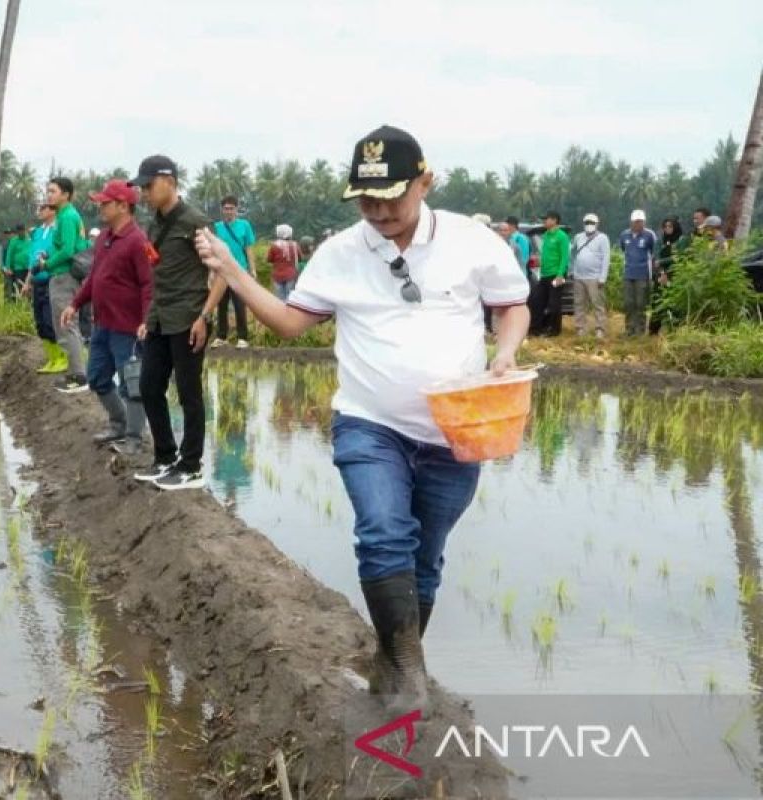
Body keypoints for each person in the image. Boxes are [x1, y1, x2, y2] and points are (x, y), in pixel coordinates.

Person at [194, 125, 529, 713]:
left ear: (426, 181)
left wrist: (505, 353)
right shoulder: (341, 253)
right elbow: (291, 323)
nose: (378, 212)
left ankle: (394, 658)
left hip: (456, 430)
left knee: (424, 554)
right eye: (366, 200)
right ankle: (405, 670)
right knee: (382, 533)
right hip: (370, 422)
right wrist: (230, 268)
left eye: (392, 197)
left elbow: (511, 306)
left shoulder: (472, 242)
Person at [127, 154, 227, 490]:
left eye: (148, 186)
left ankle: (191, 466)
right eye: (141, 188)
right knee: (149, 386)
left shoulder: (195, 222)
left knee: (188, 393)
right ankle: (165, 457)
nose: (143, 193)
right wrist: (147, 317)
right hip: (160, 316)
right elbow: (159, 272)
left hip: (189, 318)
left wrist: (204, 317)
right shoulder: (155, 222)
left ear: (169, 182)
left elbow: (223, 273)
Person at [60, 180, 153, 456]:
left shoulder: (140, 241)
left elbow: (150, 284)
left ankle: (135, 438)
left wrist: (146, 319)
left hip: (128, 327)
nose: (100, 207)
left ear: (124, 206)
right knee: (97, 377)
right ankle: (118, 423)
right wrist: (75, 304)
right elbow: (94, 277)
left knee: (131, 383)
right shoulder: (103, 238)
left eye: (105, 203)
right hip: (103, 324)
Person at [43, 177, 91, 393]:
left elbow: (69, 250)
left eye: (53, 191)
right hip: (61, 275)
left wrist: (47, 263)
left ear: (66, 194)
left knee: (66, 324)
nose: (49, 195)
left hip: (64, 276)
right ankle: (75, 372)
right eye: (48, 191)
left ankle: (79, 376)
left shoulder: (68, 217)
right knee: (64, 324)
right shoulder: (64, 216)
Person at [211, 196, 257, 348]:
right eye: (226, 208)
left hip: (239, 271)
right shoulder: (216, 227)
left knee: (239, 305)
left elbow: (249, 248)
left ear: (236, 210)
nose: (228, 211)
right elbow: (212, 251)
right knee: (221, 305)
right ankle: (221, 336)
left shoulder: (244, 225)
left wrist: (253, 269)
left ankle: (243, 337)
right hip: (222, 272)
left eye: (231, 208)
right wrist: (211, 272)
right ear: (222, 210)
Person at [25, 204, 66, 373]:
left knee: (51, 321)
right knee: (41, 322)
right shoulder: (37, 233)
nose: (40, 211)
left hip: (52, 279)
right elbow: (32, 260)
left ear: (53, 211)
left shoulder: (58, 229)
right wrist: (28, 282)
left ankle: (62, 359)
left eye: (44, 208)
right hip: (37, 281)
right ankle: (52, 359)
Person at [569, 213, 611, 338]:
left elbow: (606, 258)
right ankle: (580, 328)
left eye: (592, 223)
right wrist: (572, 269)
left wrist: (603, 277)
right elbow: (572, 252)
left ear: (597, 224)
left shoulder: (602, 238)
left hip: (595, 277)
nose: (589, 225)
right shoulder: (578, 237)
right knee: (579, 303)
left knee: (597, 304)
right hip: (579, 276)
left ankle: (600, 329)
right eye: (587, 222)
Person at [617, 210, 657, 336]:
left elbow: (654, 253)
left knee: (641, 303)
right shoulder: (624, 235)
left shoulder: (649, 235)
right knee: (628, 303)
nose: (638, 224)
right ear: (631, 222)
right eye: (636, 222)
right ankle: (629, 329)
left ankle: (640, 330)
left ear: (644, 222)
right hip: (628, 274)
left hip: (643, 274)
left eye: (641, 222)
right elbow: (624, 249)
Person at [530, 211, 569, 336]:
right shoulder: (546, 235)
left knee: (554, 303)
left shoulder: (562, 236)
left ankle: (554, 330)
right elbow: (546, 255)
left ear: (554, 220)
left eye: (546, 219)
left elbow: (564, 257)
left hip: (556, 274)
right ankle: (536, 328)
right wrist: (539, 263)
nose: (544, 222)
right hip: (545, 274)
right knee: (536, 300)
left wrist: (560, 274)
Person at [650, 217, 683, 335]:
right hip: (660, 275)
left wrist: (663, 262)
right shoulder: (660, 241)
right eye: (665, 226)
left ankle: (674, 330)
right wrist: (662, 272)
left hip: (676, 275)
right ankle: (653, 331)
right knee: (658, 303)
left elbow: (678, 258)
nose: (667, 229)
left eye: (670, 226)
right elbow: (656, 258)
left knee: (674, 304)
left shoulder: (680, 241)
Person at [266, 224, 301, 301]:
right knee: (290, 298)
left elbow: (269, 259)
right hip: (291, 275)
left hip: (277, 275)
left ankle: (280, 312)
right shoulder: (295, 245)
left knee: (280, 299)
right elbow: (300, 258)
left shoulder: (274, 246)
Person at [2, 223, 31, 301]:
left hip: (29, 268)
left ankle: (28, 302)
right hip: (18, 268)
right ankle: (19, 301)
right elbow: (9, 254)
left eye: (22, 231)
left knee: (28, 286)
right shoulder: (14, 241)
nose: (21, 233)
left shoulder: (29, 239)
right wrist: (8, 267)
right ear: (17, 232)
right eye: (19, 232)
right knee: (19, 286)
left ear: (25, 230)